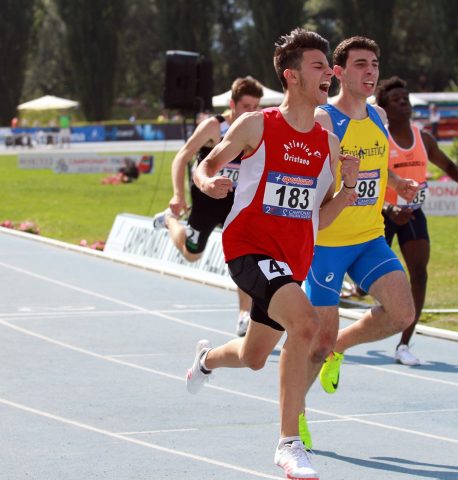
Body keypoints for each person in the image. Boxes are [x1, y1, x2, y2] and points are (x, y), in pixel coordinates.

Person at [185, 28, 360, 480]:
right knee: (306, 325)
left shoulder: (327, 141)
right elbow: (206, 164)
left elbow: (320, 217)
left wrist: (350, 186)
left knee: (254, 356)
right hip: (248, 247)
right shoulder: (257, 125)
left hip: (292, 259)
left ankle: (205, 359)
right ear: (292, 76)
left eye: (330, 66)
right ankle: (288, 444)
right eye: (319, 66)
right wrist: (208, 183)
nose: (330, 73)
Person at [301, 37, 420, 442]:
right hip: (326, 245)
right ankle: (294, 417)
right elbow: (309, 180)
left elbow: (379, 163)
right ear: (338, 73)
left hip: (369, 237)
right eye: (360, 65)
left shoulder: (379, 116)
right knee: (315, 344)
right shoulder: (323, 119)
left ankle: (340, 347)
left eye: (375, 64)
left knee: (403, 314)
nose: (371, 72)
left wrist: (398, 181)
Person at [377, 76, 458, 366]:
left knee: (419, 274)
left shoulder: (423, 138)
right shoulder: (379, 139)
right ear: (384, 106)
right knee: (366, 279)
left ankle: (404, 344)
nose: (403, 102)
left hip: (413, 212)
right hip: (379, 215)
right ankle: (360, 295)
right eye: (396, 98)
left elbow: (448, 164)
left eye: (406, 97)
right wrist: (387, 207)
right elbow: (367, 180)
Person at [153, 76, 264, 336]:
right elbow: (181, 157)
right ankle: (169, 220)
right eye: (246, 106)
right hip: (206, 199)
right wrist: (178, 194)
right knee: (193, 254)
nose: (252, 112)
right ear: (232, 104)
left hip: (236, 202)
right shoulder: (214, 127)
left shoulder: (255, 127)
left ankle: (243, 315)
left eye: (256, 106)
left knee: (245, 255)